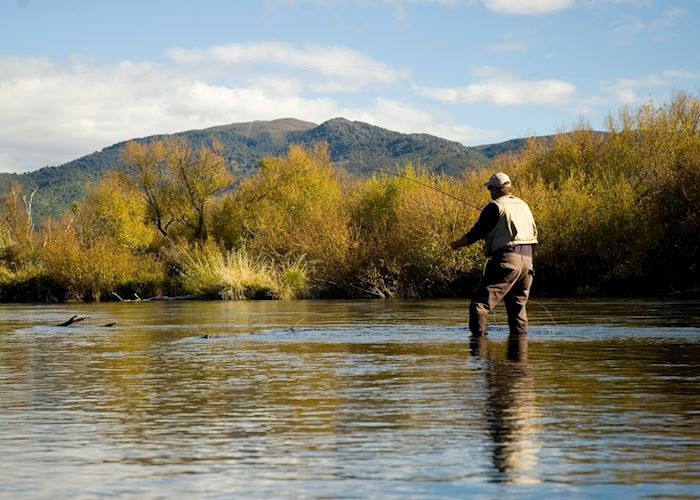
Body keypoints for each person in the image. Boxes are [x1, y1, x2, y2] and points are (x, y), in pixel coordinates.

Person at [450, 172, 537, 337]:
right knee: (517, 307)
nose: (489, 192)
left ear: (497, 190)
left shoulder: (494, 207)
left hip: (507, 260)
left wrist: (456, 244)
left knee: (479, 304)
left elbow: (475, 234)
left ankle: (479, 349)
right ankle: (519, 355)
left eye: (490, 188)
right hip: (528, 262)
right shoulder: (524, 205)